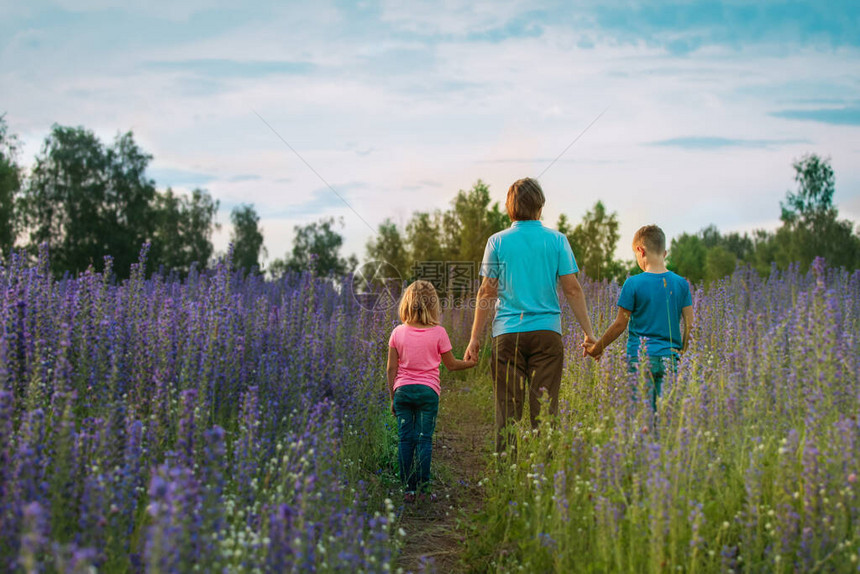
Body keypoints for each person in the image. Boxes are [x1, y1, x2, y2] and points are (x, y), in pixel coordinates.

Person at [464, 177, 597, 453]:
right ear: (540, 206)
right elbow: (572, 289)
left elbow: (487, 292)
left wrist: (474, 338)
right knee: (545, 410)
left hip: (507, 335)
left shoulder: (497, 242)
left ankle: (507, 475)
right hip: (547, 335)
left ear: (509, 208)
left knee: (507, 412)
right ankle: (547, 477)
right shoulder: (557, 241)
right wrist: (589, 333)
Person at [584, 224, 694, 411]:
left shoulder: (633, 283)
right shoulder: (681, 284)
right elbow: (691, 325)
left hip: (640, 360)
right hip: (671, 359)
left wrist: (596, 348)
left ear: (640, 250)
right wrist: (681, 352)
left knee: (641, 418)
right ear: (664, 253)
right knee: (666, 416)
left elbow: (620, 325)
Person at [387, 280, 476, 502]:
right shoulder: (439, 332)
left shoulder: (397, 332)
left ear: (406, 304)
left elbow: (391, 368)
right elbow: (452, 365)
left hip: (403, 392)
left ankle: (408, 489)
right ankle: (424, 490)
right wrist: (471, 363)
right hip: (428, 393)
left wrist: (392, 398)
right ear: (433, 305)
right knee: (424, 439)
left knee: (405, 440)